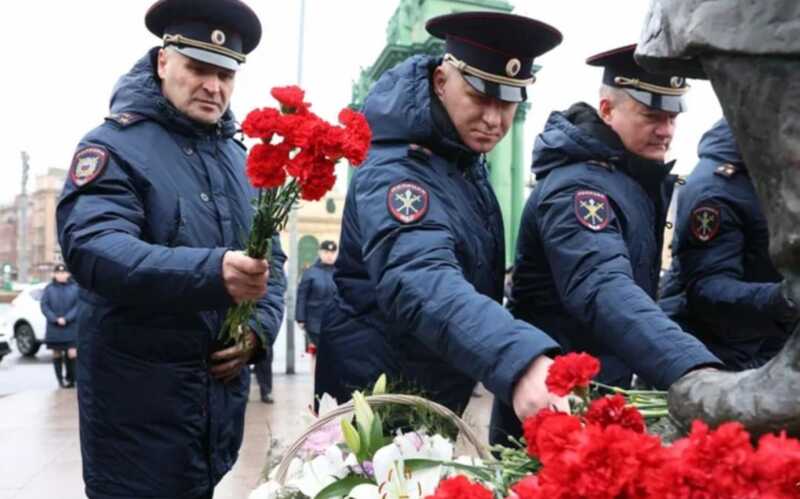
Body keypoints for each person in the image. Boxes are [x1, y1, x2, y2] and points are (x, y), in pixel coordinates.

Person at [56, 1, 286, 498]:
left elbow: (273, 264)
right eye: (199, 68)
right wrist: (213, 272)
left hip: (212, 422)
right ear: (164, 62)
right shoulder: (112, 147)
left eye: (226, 73)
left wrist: (257, 333)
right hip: (137, 425)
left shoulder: (238, 161)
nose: (214, 86)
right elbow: (94, 248)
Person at [315, 12, 568, 422]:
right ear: (441, 81)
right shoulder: (399, 168)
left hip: (427, 393)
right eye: (481, 96)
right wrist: (517, 357)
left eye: (508, 102)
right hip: (376, 403)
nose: (494, 119)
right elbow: (419, 276)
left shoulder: (460, 158)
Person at [498, 44, 721, 444]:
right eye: (652, 115)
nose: (667, 130)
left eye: (672, 117)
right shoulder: (580, 188)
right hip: (553, 412)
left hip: (596, 398)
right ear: (606, 110)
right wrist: (695, 370)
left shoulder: (628, 178)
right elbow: (602, 286)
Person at [660, 118, 798, 370]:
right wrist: (786, 298)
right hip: (709, 359)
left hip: (767, 351)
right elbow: (706, 288)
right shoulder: (718, 188)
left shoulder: (777, 174)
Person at [296, 240, 338, 373]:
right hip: (314, 322)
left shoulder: (340, 272)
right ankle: (318, 383)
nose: (329, 255)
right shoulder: (311, 272)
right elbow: (302, 295)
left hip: (335, 321)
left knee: (333, 354)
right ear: (320, 253)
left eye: (332, 252)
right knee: (319, 353)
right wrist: (301, 318)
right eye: (326, 252)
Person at [40, 263, 80, 388]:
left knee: (72, 353)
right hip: (54, 327)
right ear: (54, 274)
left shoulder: (75, 288)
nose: (61, 275)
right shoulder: (49, 289)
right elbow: (44, 306)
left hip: (71, 327)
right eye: (58, 273)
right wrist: (54, 318)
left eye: (63, 273)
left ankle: (71, 379)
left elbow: (78, 306)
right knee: (57, 353)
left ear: (68, 274)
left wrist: (67, 318)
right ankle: (60, 380)